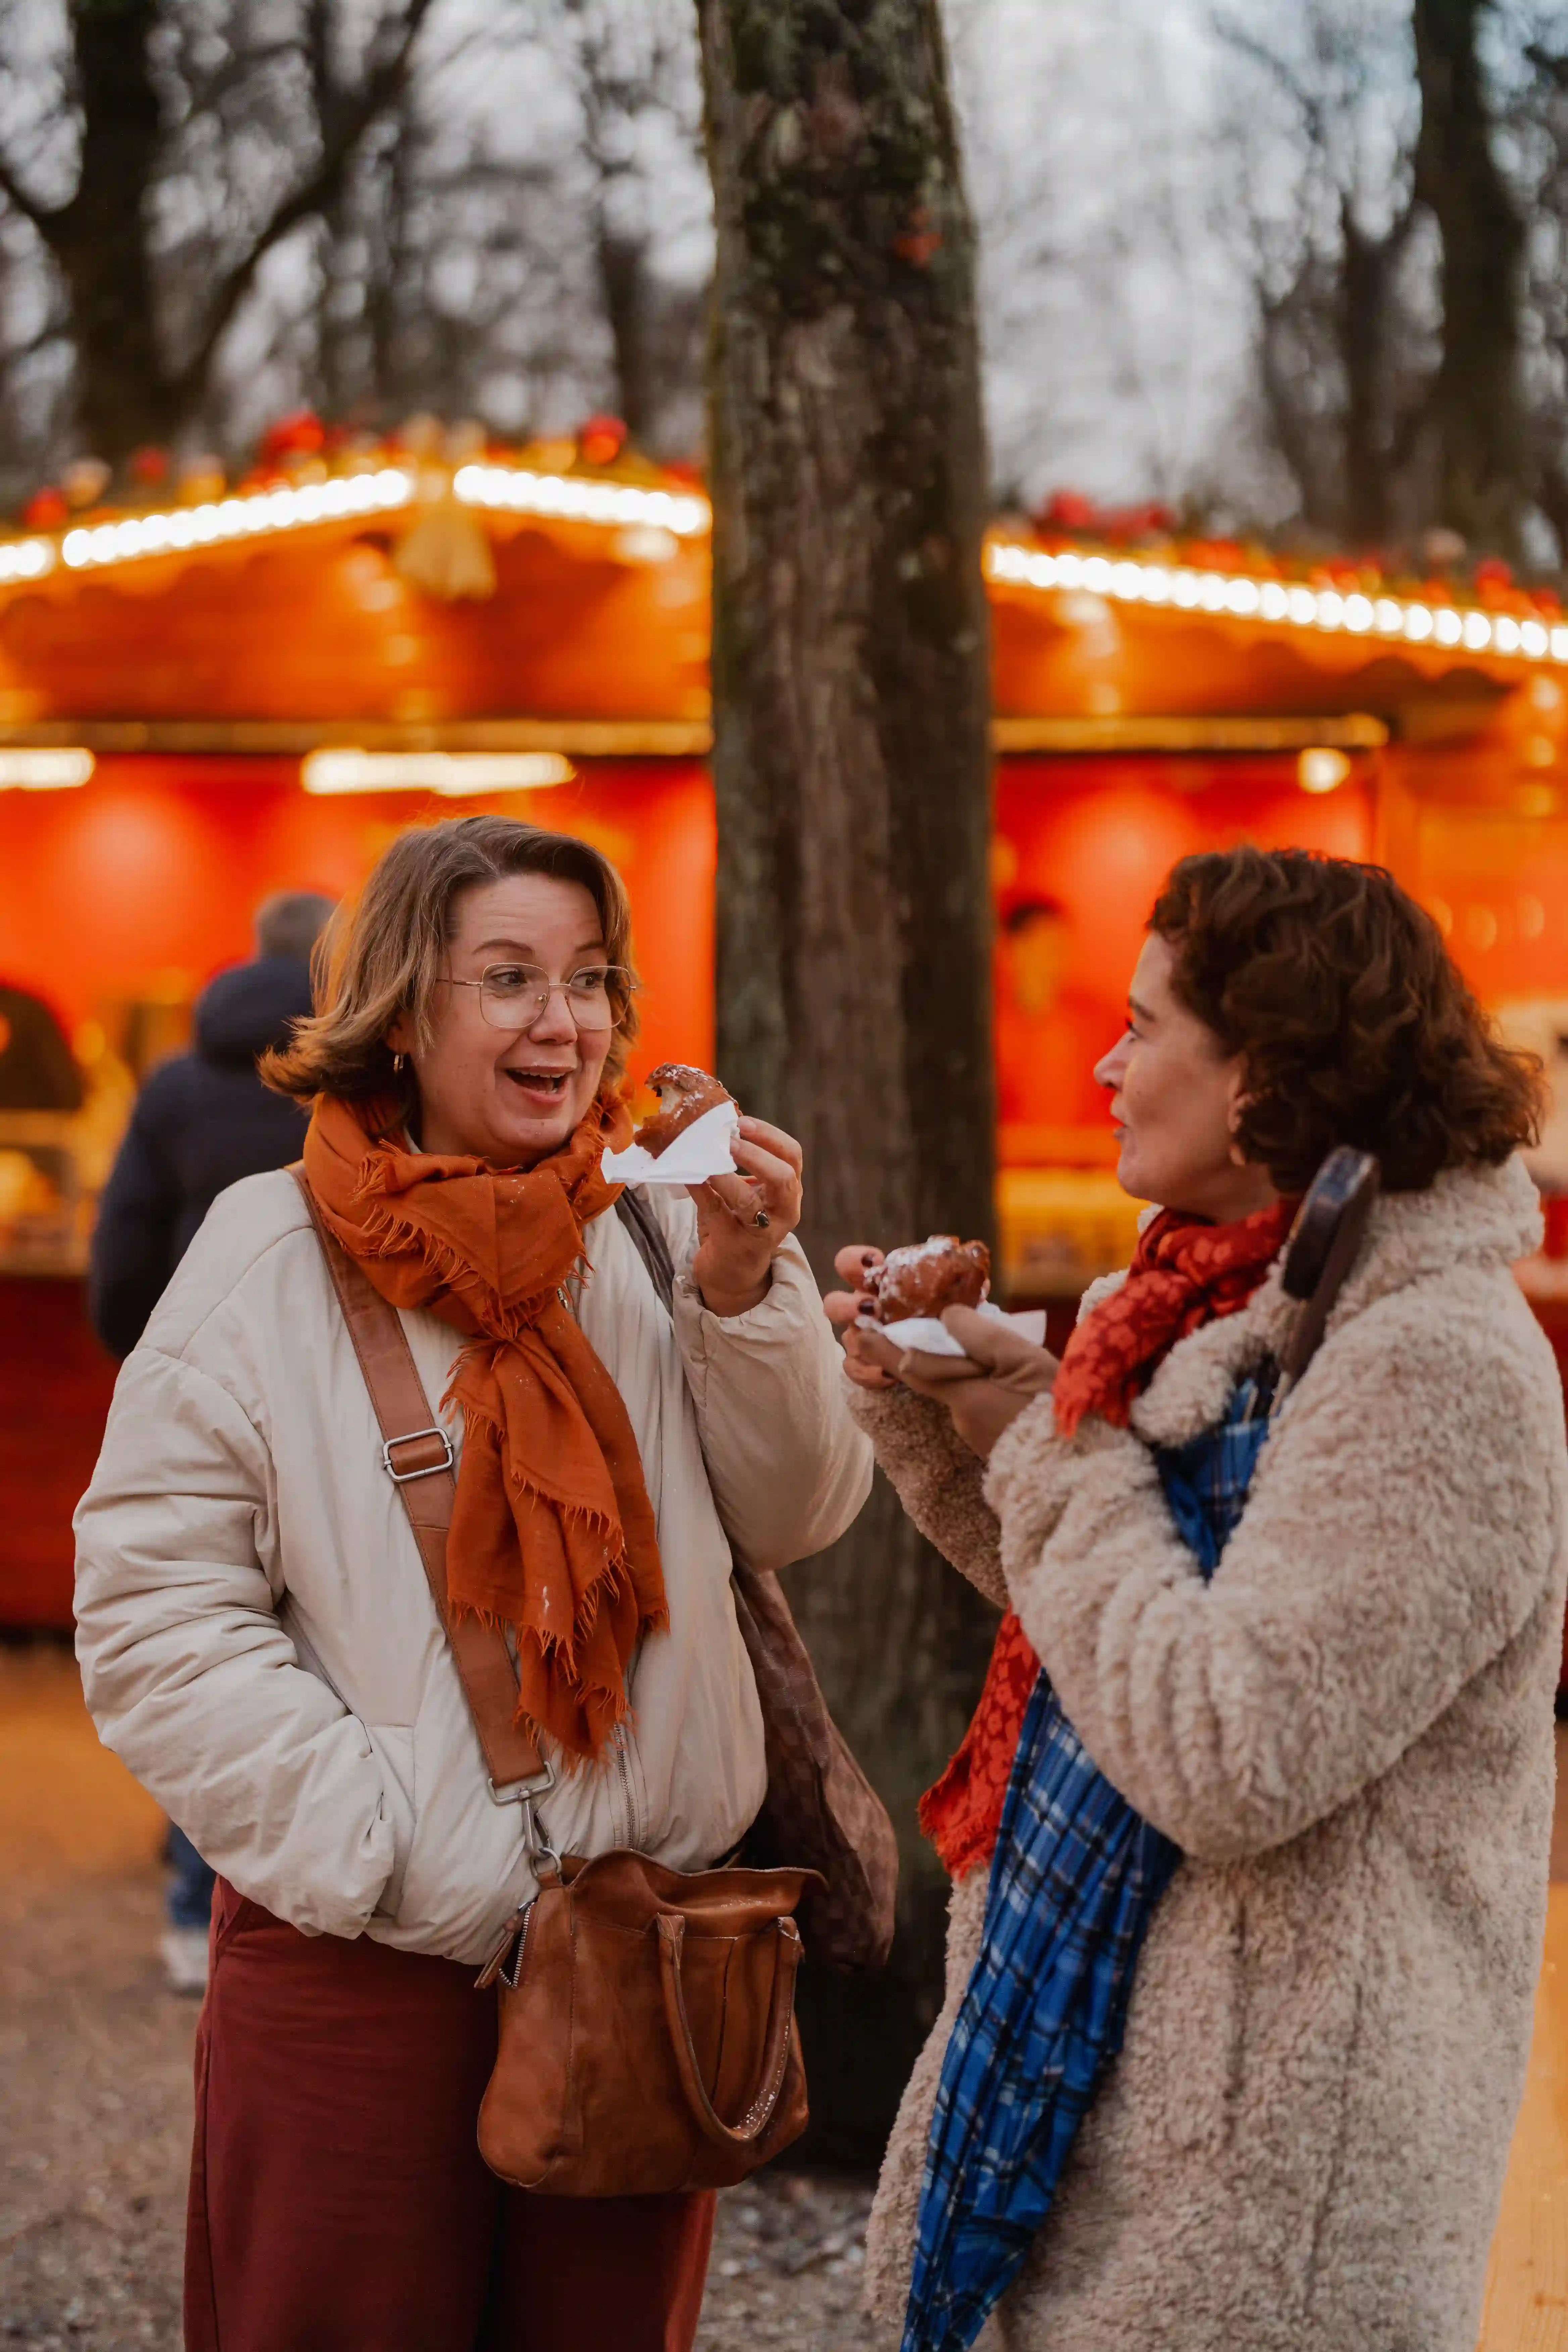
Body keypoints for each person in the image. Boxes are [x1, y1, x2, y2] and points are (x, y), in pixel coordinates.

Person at [73, 814, 871, 2352]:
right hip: (363, 1970)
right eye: (507, 978)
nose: (561, 1022)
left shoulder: (656, 1229)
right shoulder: (265, 1251)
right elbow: (151, 1606)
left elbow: (795, 1514)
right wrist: (376, 1848)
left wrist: (744, 1289)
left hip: (640, 1950)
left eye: (589, 979)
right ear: (401, 1009)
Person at [830, 845, 1567, 2352]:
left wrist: (1047, 1438)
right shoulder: (1198, 1299)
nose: (1106, 1068)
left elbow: (1228, 1749)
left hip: (1269, 2191)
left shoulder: (1435, 1362)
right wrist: (945, 1412)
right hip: (1104, 2100)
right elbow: (1108, 1630)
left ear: (1264, 1076)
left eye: (1143, 1026)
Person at [88, 887, 334, 1993]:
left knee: (205, 1632)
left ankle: (197, 1905)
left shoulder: (177, 1084)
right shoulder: (364, 1078)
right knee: (312, 1636)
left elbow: (123, 1244)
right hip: (339, 1386)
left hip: (204, 1388)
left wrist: (149, 1361)